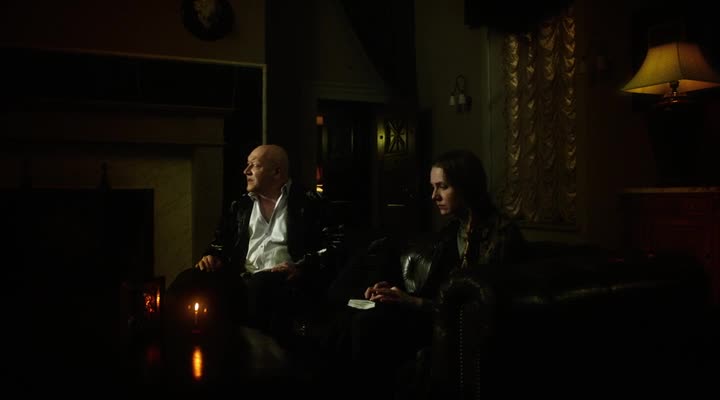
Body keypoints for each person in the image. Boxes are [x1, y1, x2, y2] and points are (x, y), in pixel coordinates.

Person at [331, 148, 529, 399]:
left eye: (442, 187)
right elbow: (432, 288)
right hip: (430, 315)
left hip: (460, 327)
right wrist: (392, 293)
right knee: (354, 317)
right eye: (433, 187)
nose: (434, 196)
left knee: (367, 325)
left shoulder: (502, 234)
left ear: (467, 187)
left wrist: (413, 302)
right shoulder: (451, 234)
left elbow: (485, 306)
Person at [167, 143, 343, 345]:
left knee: (258, 287)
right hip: (241, 275)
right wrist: (213, 256)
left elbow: (335, 245)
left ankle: (257, 353)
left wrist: (302, 266)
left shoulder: (309, 202)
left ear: (276, 172)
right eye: (247, 164)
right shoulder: (241, 205)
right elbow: (221, 242)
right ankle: (173, 344)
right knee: (187, 279)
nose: (246, 171)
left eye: (254, 165)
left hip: (282, 278)